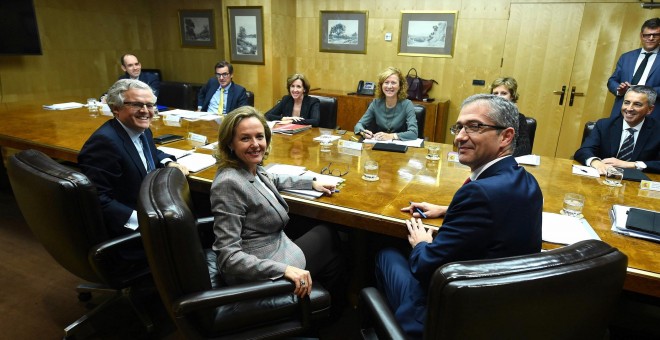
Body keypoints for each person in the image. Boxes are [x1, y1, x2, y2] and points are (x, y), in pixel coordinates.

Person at [374, 94, 543, 339]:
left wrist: (421, 243)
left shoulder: (479, 193)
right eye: (459, 127)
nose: (460, 137)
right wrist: (447, 209)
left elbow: (424, 266)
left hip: (451, 316)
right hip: (501, 308)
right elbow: (495, 213)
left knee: (384, 253)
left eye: (474, 126)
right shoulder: (525, 179)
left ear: (506, 136)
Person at [210, 106, 345, 306]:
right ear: (230, 143)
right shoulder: (229, 183)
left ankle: (318, 306)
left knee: (331, 240)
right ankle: (323, 311)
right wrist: (283, 270)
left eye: (260, 136)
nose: (255, 144)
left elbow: (272, 178)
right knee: (333, 238)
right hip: (260, 269)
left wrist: (311, 182)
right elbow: (228, 258)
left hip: (274, 245)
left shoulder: (250, 167)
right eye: (245, 138)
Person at [79, 79, 189, 237]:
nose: (145, 111)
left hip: (153, 207)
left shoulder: (141, 130)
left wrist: (169, 162)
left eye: (149, 105)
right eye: (137, 105)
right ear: (116, 108)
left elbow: (152, 153)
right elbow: (97, 199)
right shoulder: (104, 143)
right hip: (131, 231)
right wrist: (144, 222)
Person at [574, 85, 660, 174]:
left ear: (650, 109)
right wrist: (596, 163)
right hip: (603, 179)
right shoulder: (604, 125)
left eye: (637, 104)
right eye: (626, 102)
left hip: (639, 183)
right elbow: (583, 151)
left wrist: (630, 165)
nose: (629, 108)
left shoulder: (657, 130)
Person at [607, 18, 660, 118]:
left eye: (656, 35)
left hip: (652, 113)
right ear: (641, 36)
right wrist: (619, 90)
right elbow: (612, 81)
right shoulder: (626, 57)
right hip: (622, 111)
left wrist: (645, 91)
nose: (651, 38)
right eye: (647, 35)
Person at [353, 67, 419, 141]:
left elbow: (413, 133)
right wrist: (363, 133)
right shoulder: (375, 103)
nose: (389, 86)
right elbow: (358, 126)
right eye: (386, 82)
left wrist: (391, 136)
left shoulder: (407, 104)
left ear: (400, 86)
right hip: (378, 146)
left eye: (393, 83)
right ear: (381, 85)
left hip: (400, 148)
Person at [488, 77, 532, 156]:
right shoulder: (485, 116)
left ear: (512, 96)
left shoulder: (519, 118)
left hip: (508, 159)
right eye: (495, 93)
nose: (499, 97)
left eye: (504, 93)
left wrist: (502, 156)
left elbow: (525, 147)